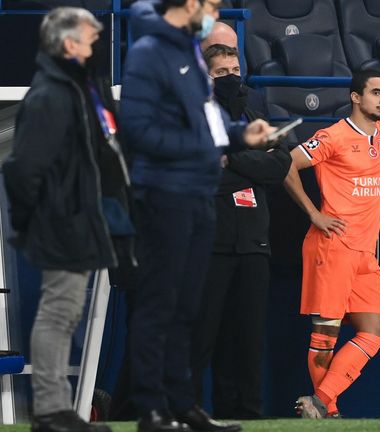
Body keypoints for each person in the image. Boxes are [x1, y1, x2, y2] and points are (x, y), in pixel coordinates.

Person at [119, 0, 276, 430]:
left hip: (199, 202)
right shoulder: (150, 53)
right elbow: (137, 129)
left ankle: (182, 404)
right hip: (165, 197)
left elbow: (208, 123)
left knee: (187, 311)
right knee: (160, 309)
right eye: (208, 5)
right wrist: (203, 152)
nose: (212, 12)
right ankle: (152, 409)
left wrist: (241, 133)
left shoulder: (188, 54)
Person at [2, 7, 129, 432]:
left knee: (67, 313)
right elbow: (22, 169)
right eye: (91, 40)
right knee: (58, 313)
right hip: (62, 221)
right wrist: (36, 219)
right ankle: (51, 412)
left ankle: (57, 411)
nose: (96, 46)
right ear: (69, 43)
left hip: (85, 218)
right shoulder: (51, 94)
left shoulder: (81, 88)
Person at [284, 69, 380, 419]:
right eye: (376, 93)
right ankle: (328, 411)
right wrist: (313, 214)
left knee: (375, 331)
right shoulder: (333, 136)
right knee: (326, 335)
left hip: (366, 252)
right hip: (332, 246)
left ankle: (320, 402)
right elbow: (286, 164)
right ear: (355, 97)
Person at [189, 43, 290, 420]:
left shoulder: (252, 116)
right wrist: (251, 165)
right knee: (201, 340)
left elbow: (278, 166)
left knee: (246, 341)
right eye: (220, 73)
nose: (230, 77)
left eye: (234, 70)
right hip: (209, 245)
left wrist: (232, 158)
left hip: (254, 246)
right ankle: (192, 413)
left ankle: (246, 415)